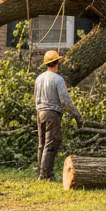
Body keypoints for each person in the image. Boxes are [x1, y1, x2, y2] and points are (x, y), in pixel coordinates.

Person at [34, 49, 83, 181]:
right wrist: (77, 116)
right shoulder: (58, 79)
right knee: (51, 144)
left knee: (42, 144)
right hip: (52, 114)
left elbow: (35, 97)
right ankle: (45, 175)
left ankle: (41, 172)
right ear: (57, 63)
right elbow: (65, 100)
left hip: (40, 112)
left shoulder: (39, 78)